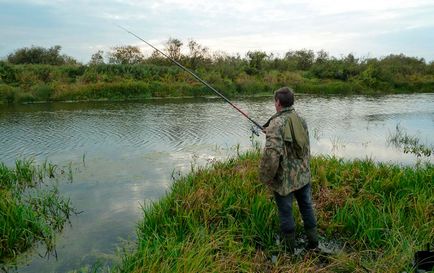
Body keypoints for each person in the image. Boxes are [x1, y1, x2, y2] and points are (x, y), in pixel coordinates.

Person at [259, 86, 318, 253]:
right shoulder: (301, 119)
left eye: (274, 101)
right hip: (303, 175)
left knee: (286, 212)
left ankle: (289, 251)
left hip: (285, 179)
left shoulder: (276, 124)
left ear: (278, 102)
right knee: (306, 206)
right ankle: (314, 244)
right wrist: (269, 132)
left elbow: (271, 156)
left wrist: (265, 178)